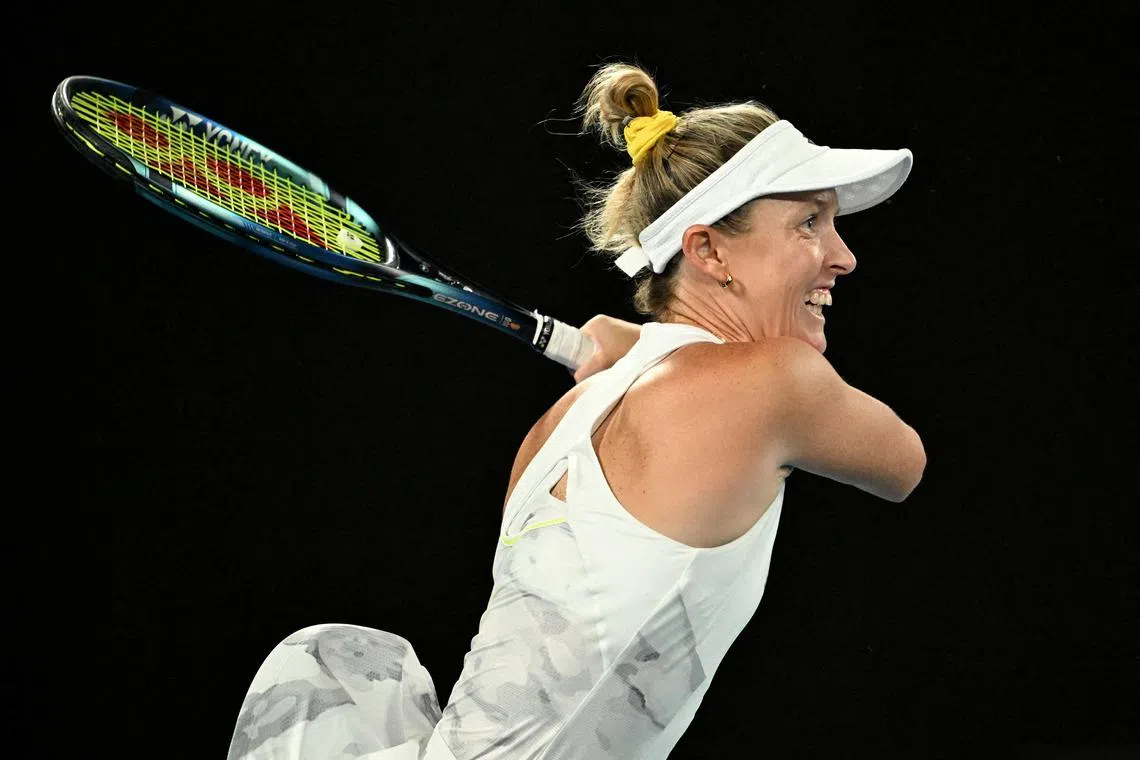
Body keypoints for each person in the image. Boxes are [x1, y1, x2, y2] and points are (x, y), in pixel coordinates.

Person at [226, 62, 926, 760]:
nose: (844, 256)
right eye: (810, 222)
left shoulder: (556, 426)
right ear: (708, 250)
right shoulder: (778, 383)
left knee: (337, 657)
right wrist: (649, 346)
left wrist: (647, 346)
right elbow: (905, 465)